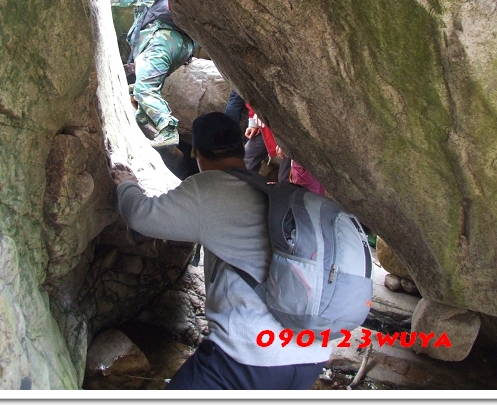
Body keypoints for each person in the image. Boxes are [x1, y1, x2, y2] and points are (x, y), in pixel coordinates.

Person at [110, 112, 331, 390]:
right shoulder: (269, 189)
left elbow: (140, 216)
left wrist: (127, 184)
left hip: (251, 354)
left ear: (196, 152)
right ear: (241, 147)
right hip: (311, 355)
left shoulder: (209, 187)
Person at [109, 0, 195, 149]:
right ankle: (142, 115)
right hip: (183, 48)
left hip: (161, 39)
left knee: (144, 87)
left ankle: (167, 128)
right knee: (147, 83)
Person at [244, 104, 291, 183]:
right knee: (248, 156)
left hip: (288, 133)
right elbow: (252, 100)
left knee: (285, 178)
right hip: (266, 127)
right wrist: (253, 123)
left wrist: (285, 141)